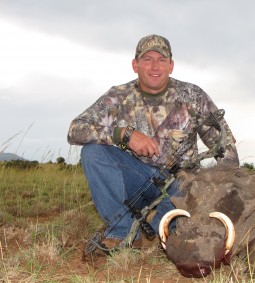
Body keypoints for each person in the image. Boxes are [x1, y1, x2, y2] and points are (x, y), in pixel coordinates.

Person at [67, 34, 239, 253]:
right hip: (136, 181)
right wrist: (125, 135)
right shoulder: (117, 97)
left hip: (181, 186)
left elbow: (225, 145)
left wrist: (226, 189)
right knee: (93, 153)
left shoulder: (194, 96)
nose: (154, 66)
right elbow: (75, 130)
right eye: (147, 59)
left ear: (171, 65)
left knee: (176, 226)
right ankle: (122, 234)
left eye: (161, 59)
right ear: (135, 65)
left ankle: (158, 230)